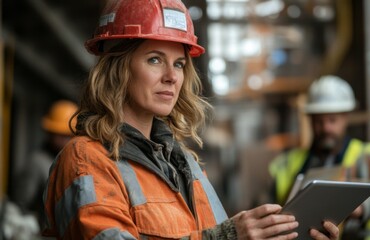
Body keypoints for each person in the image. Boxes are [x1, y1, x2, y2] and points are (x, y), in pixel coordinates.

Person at [42, 0, 340, 239]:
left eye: (180, 64)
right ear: (117, 69)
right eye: (154, 59)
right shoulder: (85, 160)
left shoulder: (185, 163)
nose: (172, 77)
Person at [269, 75, 370, 240]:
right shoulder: (289, 163)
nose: (326, 127)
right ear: (310, 120)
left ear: (346, 117)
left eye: (332, 120)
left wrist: (362, 208)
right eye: (319, 121)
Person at [12, 100, 77, 228]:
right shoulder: (37, 163)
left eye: (69, 135)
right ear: (50, 133)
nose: (66, 140)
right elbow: (18, 208)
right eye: (61, 135)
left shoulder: (76, 164)